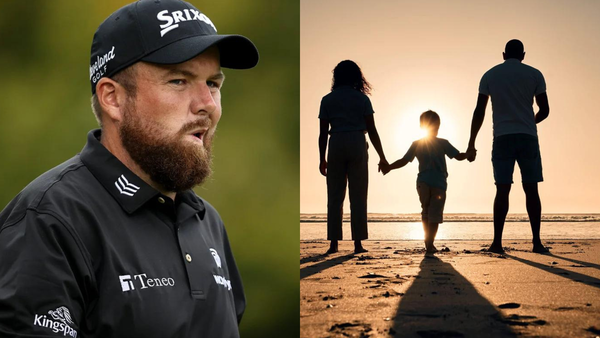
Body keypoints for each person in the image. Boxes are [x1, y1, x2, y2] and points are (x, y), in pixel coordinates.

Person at [0, 1, 259, 337]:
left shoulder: (206, 221)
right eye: (179, 81)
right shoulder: (51, 218)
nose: (207, 104)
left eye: (213, 83)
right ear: (113, 99)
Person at [467, 39, 550, 254]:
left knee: (502, 189)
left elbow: (479, 111)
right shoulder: (535, 74)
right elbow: (545, 109)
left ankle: (497, 242)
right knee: (531, 189)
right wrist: (531, 122)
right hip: (527, 137)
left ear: (503, 54)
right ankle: (536, 242)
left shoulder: (490, 75)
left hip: (502, 137)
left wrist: (471, 142)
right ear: (523, 55)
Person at [318, 60, 387, 254]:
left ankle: (333, 243)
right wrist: (382, 156)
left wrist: (322, 158)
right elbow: (372, 130)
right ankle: (357, 243)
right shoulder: (362, 99)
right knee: (358, 195)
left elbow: (323, 133)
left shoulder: (328, 99)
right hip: (357, 140)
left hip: (336, 141)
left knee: (334, 196)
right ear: (357, 77)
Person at [380, 110, 468, 253]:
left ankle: (428, 243)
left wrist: (389, 167)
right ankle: (430, 243)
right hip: (438, 184)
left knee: (426, 212)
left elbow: (404, 160)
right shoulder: (443, 143)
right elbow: (458, 156)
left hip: (423, 183)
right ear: (438, 127)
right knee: (435, 213)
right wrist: (468, 154)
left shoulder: (417, 144)